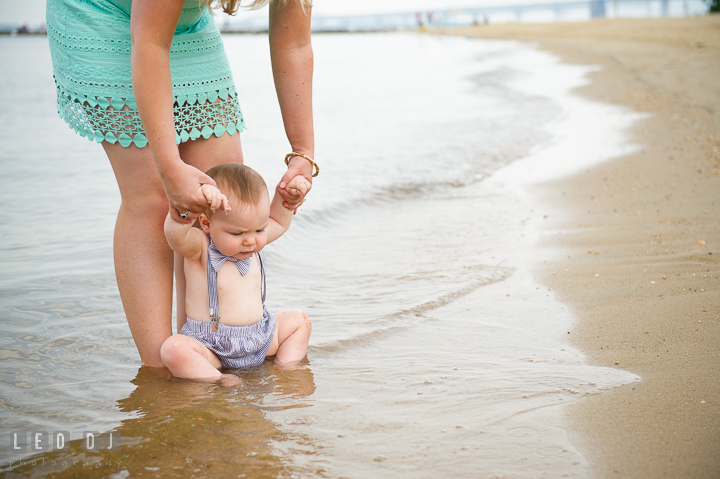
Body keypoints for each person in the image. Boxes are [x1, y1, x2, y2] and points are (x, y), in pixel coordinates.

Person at [46, 0, 315, 367]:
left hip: (186, 23)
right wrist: (170, 166)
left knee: (224, 195)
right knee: (159, 197)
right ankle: (162, 372)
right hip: (104, 19)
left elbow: (294, 44)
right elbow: (151, 44)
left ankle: (211, 355)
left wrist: (303, 153)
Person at [161, 163, 312, 385]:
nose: (250, 241)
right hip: (213, 346)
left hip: (261, 337)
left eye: (259, 229)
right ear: (206, 222)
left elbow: (279, 220)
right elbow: (174, 236)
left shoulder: (251, 243)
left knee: (299, 321)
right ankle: (218, 379)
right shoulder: (199, 248)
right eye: (237, 233)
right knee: (174, 349)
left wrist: (288, 197)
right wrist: (187, 209)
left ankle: (286, 368)